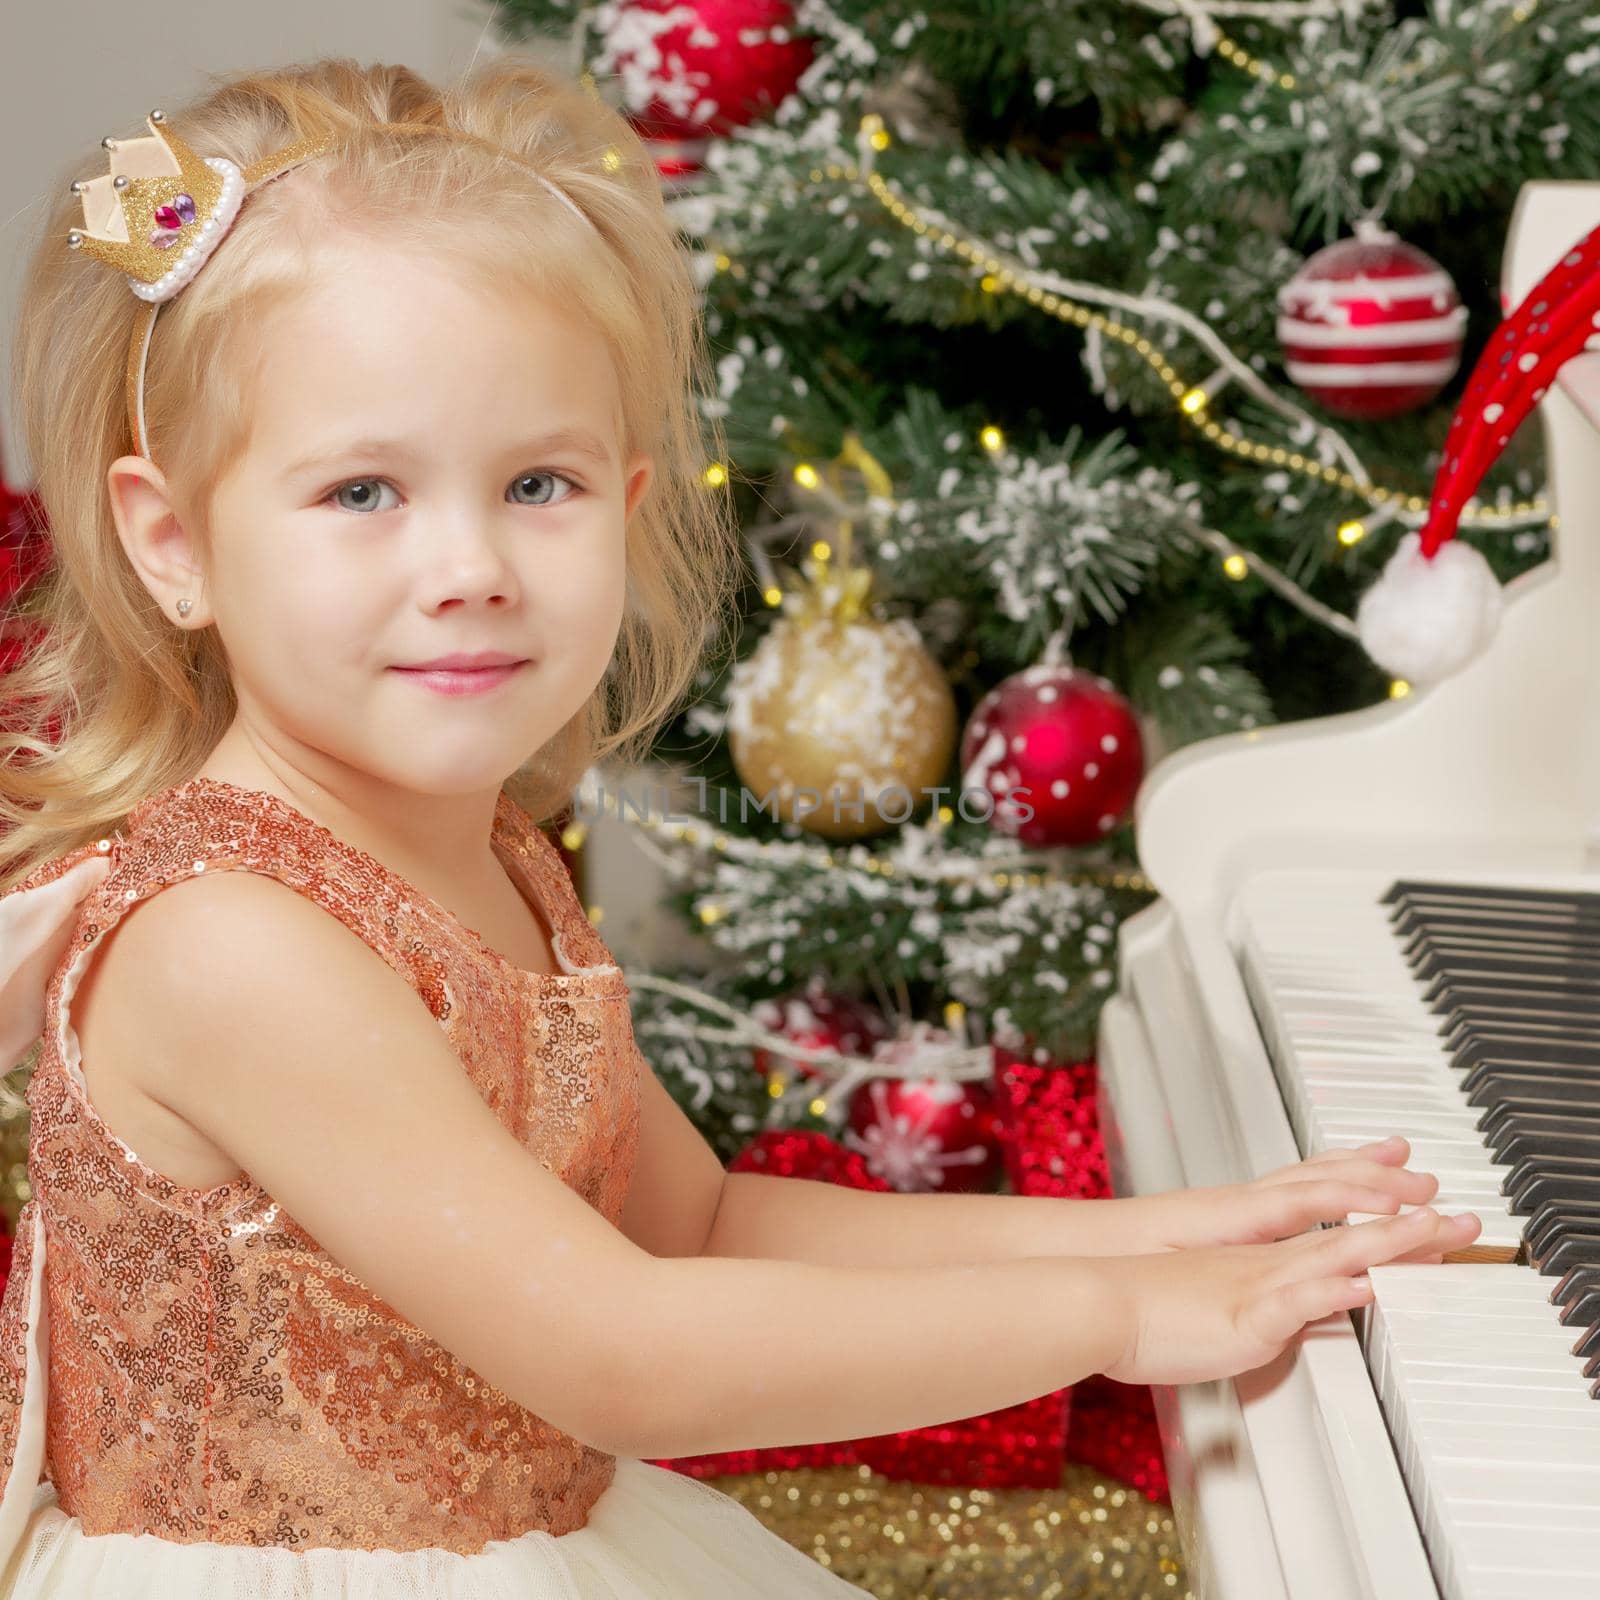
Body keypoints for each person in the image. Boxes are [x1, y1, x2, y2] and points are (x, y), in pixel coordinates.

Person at [0, 55, 1480, 1597]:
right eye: (364, 492)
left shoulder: (481, 850)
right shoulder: (232, 942)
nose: (472, 565)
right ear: (173, 544)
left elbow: (700, 1223)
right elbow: (620, 1354)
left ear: (632, 504)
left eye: (538, 484)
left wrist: (1168, 1239)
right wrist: (1118, 1329)